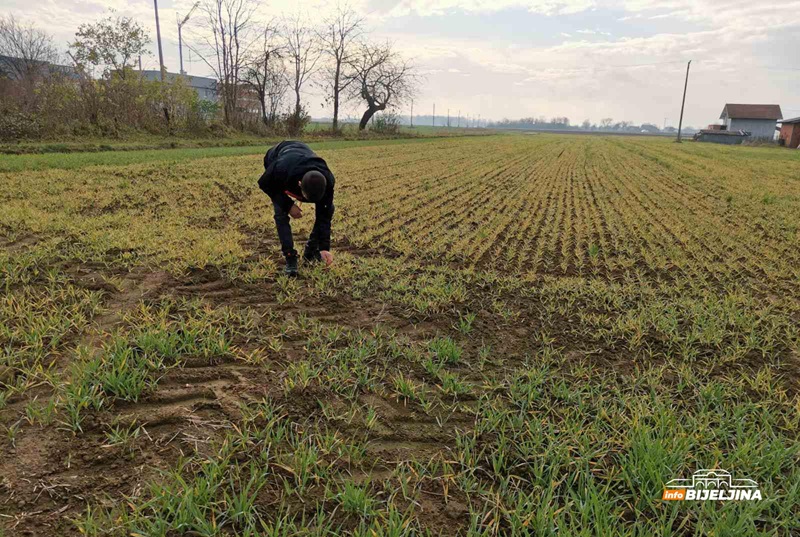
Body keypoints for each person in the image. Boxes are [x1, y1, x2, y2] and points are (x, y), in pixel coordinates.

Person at [258, 141, 335, 276]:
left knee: (327, 209)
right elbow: (265, 184)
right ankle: (290, 258)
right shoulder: (280, 169)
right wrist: (288, 205)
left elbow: (324, 214)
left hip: (301, 154)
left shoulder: (328, 180)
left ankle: (311, 251)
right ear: (299, 185)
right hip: (278, 157)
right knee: (280, 213)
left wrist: (324, 247)